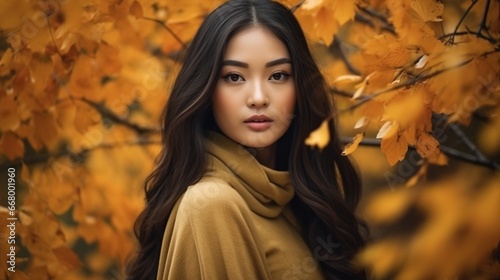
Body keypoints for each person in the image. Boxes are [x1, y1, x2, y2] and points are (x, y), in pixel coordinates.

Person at [126, 0, 367, 279]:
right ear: (206, 89)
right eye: (234, 77)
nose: (258, 98)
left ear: (300, 86)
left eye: (278, 75)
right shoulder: (211, 205)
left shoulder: (291, 199)